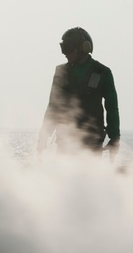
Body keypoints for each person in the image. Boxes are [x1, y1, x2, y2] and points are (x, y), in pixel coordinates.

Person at [37, 27, 120, 158]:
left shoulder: (102, 73)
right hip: (65, 139)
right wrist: (44, 136)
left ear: (83, 48)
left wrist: (114, 137)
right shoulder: (61, 72)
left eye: (69, 49)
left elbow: (112, 107)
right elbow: (53, 106)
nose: (65, 53)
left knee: (90, 176)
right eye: (63, 48)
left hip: (91, 140)